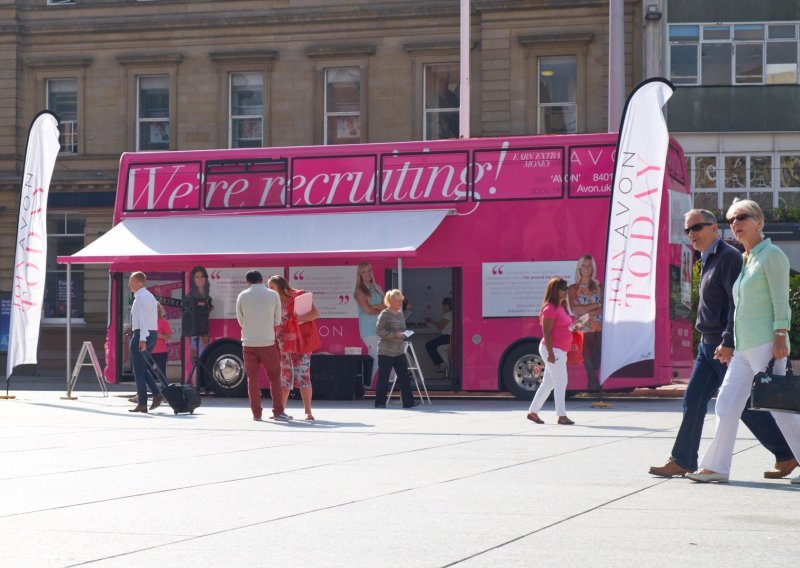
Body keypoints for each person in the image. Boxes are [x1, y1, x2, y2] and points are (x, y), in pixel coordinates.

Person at [649, 209, 796, 479]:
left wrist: (736, 340)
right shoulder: (731, 258)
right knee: (719, 404)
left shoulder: (735, 257)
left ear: (714, 229)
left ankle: (787, 454)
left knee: (764, 406)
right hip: (722, 345)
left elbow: (744, 305)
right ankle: (702, 464)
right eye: (688, 230)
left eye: (698, 227)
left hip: (737, 344)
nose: (691, 234)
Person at [235, 270, 289, 422]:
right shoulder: (273, 295)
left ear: (248, 282)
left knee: (252, 379)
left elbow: (241, 321)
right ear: (262, 280)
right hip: (267, 342)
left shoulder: (242, 295)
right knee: (274, 377)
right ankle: (278, 411)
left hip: (248, 342)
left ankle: (256, 414)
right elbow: (277, 321)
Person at [268, 275, 321, 421]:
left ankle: (308, 412)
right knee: (284, 378)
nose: (269, 290)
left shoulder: (300, 296)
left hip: (301, 343)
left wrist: (295, 320)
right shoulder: (274, 302)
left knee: (304, 376)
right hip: (282, 345)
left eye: (272, 287)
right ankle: (281, 411)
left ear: (280, 286)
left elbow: (315, 314)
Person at [526, 277, 575, 425]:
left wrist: (574, 327)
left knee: (548, 383)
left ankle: (533, 412)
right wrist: (551, 354)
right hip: (553, 349)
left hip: (559, 349)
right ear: (555, 290)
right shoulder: (549, 309)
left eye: (566, 289)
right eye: (563, 289)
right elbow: (546, 333)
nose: (566, 291)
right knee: (561, 382)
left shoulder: (560, 307)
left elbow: (561, 327)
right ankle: (561, 416)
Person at [373, 289, 420, 409]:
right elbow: (379, 331)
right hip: (385, 351)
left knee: (404, 377)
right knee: (383, 378)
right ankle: (380, 403)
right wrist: (395, 335)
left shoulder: (400, 314)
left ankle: (408, 402)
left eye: (401, 301)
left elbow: (402, 328)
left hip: (399, 350)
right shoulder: (384, 314)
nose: (400, 303)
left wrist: (405, 333)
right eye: (398, 301)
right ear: (390, 301)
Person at [128, 272, 162, 413]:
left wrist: (141, 339)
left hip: (142, 335)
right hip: (151, 334)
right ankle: (156, 394)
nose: (129, 284)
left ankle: (143, 403)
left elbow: (141, 320)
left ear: (139, 282)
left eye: (131, 281)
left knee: (138, 371)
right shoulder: (150, 297)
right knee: (142, 368)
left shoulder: (140, 298)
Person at [567, 255, 603, 392]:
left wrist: (586, 309)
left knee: (596, 360)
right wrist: (595, 305)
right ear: (579, 268)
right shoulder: (573, 288)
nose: (586, 268)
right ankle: (593, 384)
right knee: (587, 360)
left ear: (593, 268)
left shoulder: (599, 285)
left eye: (589, 265)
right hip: (582, 330)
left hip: (599, 329)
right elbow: (575, 309)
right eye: (583, 265)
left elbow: (603, 309)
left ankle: (593, 384)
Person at [354, 261, 384, 383]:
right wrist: (381, 307)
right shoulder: (360, 291)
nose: (367, 274)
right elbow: (368, 310)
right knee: (376, 359)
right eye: (364, 272)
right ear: (360, 275)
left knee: (384, 358)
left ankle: (390, 384)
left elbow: (386, 305)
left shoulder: (376, 288)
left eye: (369, 270)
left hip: (380, 328)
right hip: (369, 330)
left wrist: (379, 306)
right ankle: (367, 386)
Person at [425, 298, 452, 373]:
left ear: (448, 305)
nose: (443, 307)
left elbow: (440, 327)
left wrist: (431, 321)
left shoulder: (448, 314)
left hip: (447, 337)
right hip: (449, 337)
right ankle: (441, 364)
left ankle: (441, 363)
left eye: (444, 305)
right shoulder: (452, 314)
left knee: (429, 345)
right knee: (431, 345)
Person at [151, 302, 172, 381]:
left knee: (161, 372)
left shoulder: (163, 322)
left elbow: (169, 336)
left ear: (159, 310)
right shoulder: (147, 322)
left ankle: (165, 389)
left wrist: (159, 335)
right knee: (147, 370)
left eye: (156, 308)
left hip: (160, 352)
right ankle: (151, 388)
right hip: (148, 351)